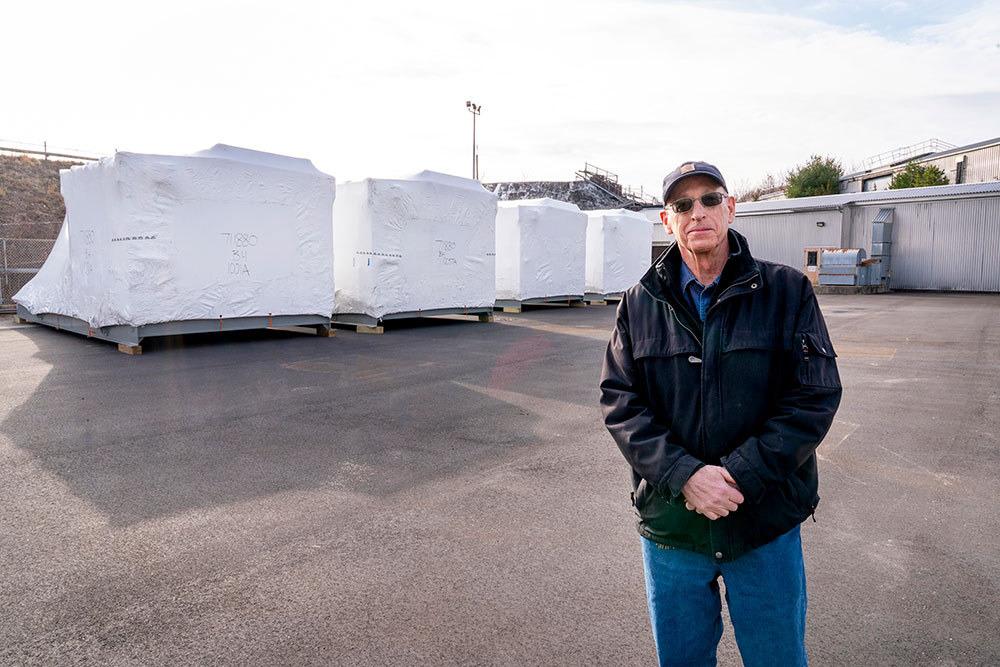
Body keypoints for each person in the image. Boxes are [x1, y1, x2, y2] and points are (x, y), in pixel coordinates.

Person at [600, 161, 842, 666]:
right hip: (674, 528)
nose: (698, 213)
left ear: (731, 208)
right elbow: (621, 402)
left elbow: (812, 396)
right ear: (667, 221)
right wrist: (685, 476)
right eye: (683, 205)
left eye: (710, 199)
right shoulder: (638, 302)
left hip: (762, 524)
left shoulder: (786, 291)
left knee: (777, 658)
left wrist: (738, 476)